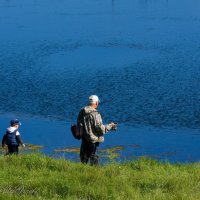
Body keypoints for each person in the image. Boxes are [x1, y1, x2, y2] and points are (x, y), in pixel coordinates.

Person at [77, 95, 117, 165]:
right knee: (94, 161)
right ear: (96, 103)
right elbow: (101, 129)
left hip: (84, 139)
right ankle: (94, 174)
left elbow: (78, 123)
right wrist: (111, 125)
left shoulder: (82, 111)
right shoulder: (95, 114)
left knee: (83, 160)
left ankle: (82, 172)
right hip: (93, 141)